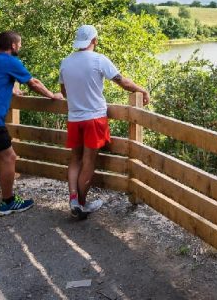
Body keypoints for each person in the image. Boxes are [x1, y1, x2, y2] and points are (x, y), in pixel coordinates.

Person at [0, 30, 63, 227]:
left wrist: (13, 89)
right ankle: (7, 202)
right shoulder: (11, 62)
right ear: (13, 46)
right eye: (20, 44)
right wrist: (52, 96)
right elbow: (33, 82)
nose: (20, 47)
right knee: (9, 158)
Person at [60, 25, 150, 219]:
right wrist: (142, 90)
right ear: (94, 40)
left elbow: (64, 91)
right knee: (88, 161)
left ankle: (74, 198)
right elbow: (123, 82)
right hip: (94, 119)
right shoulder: (99, 60)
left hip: (74, 118)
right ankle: (81, 205)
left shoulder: (65, 62)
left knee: (75, 159)